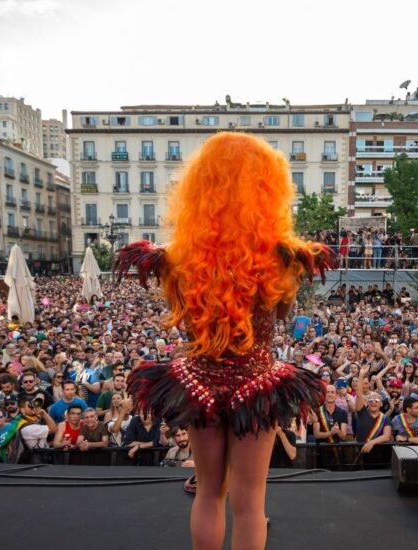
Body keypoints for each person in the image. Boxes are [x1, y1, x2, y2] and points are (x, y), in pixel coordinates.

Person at [114, 133, 332, 550]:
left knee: (209, 492)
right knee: (250, 502)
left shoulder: (176, 258)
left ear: (199, 185)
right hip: (258, 386)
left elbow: (181, 315)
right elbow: (283, 314)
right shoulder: (283, 255)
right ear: (266, 187)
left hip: (199, 386)